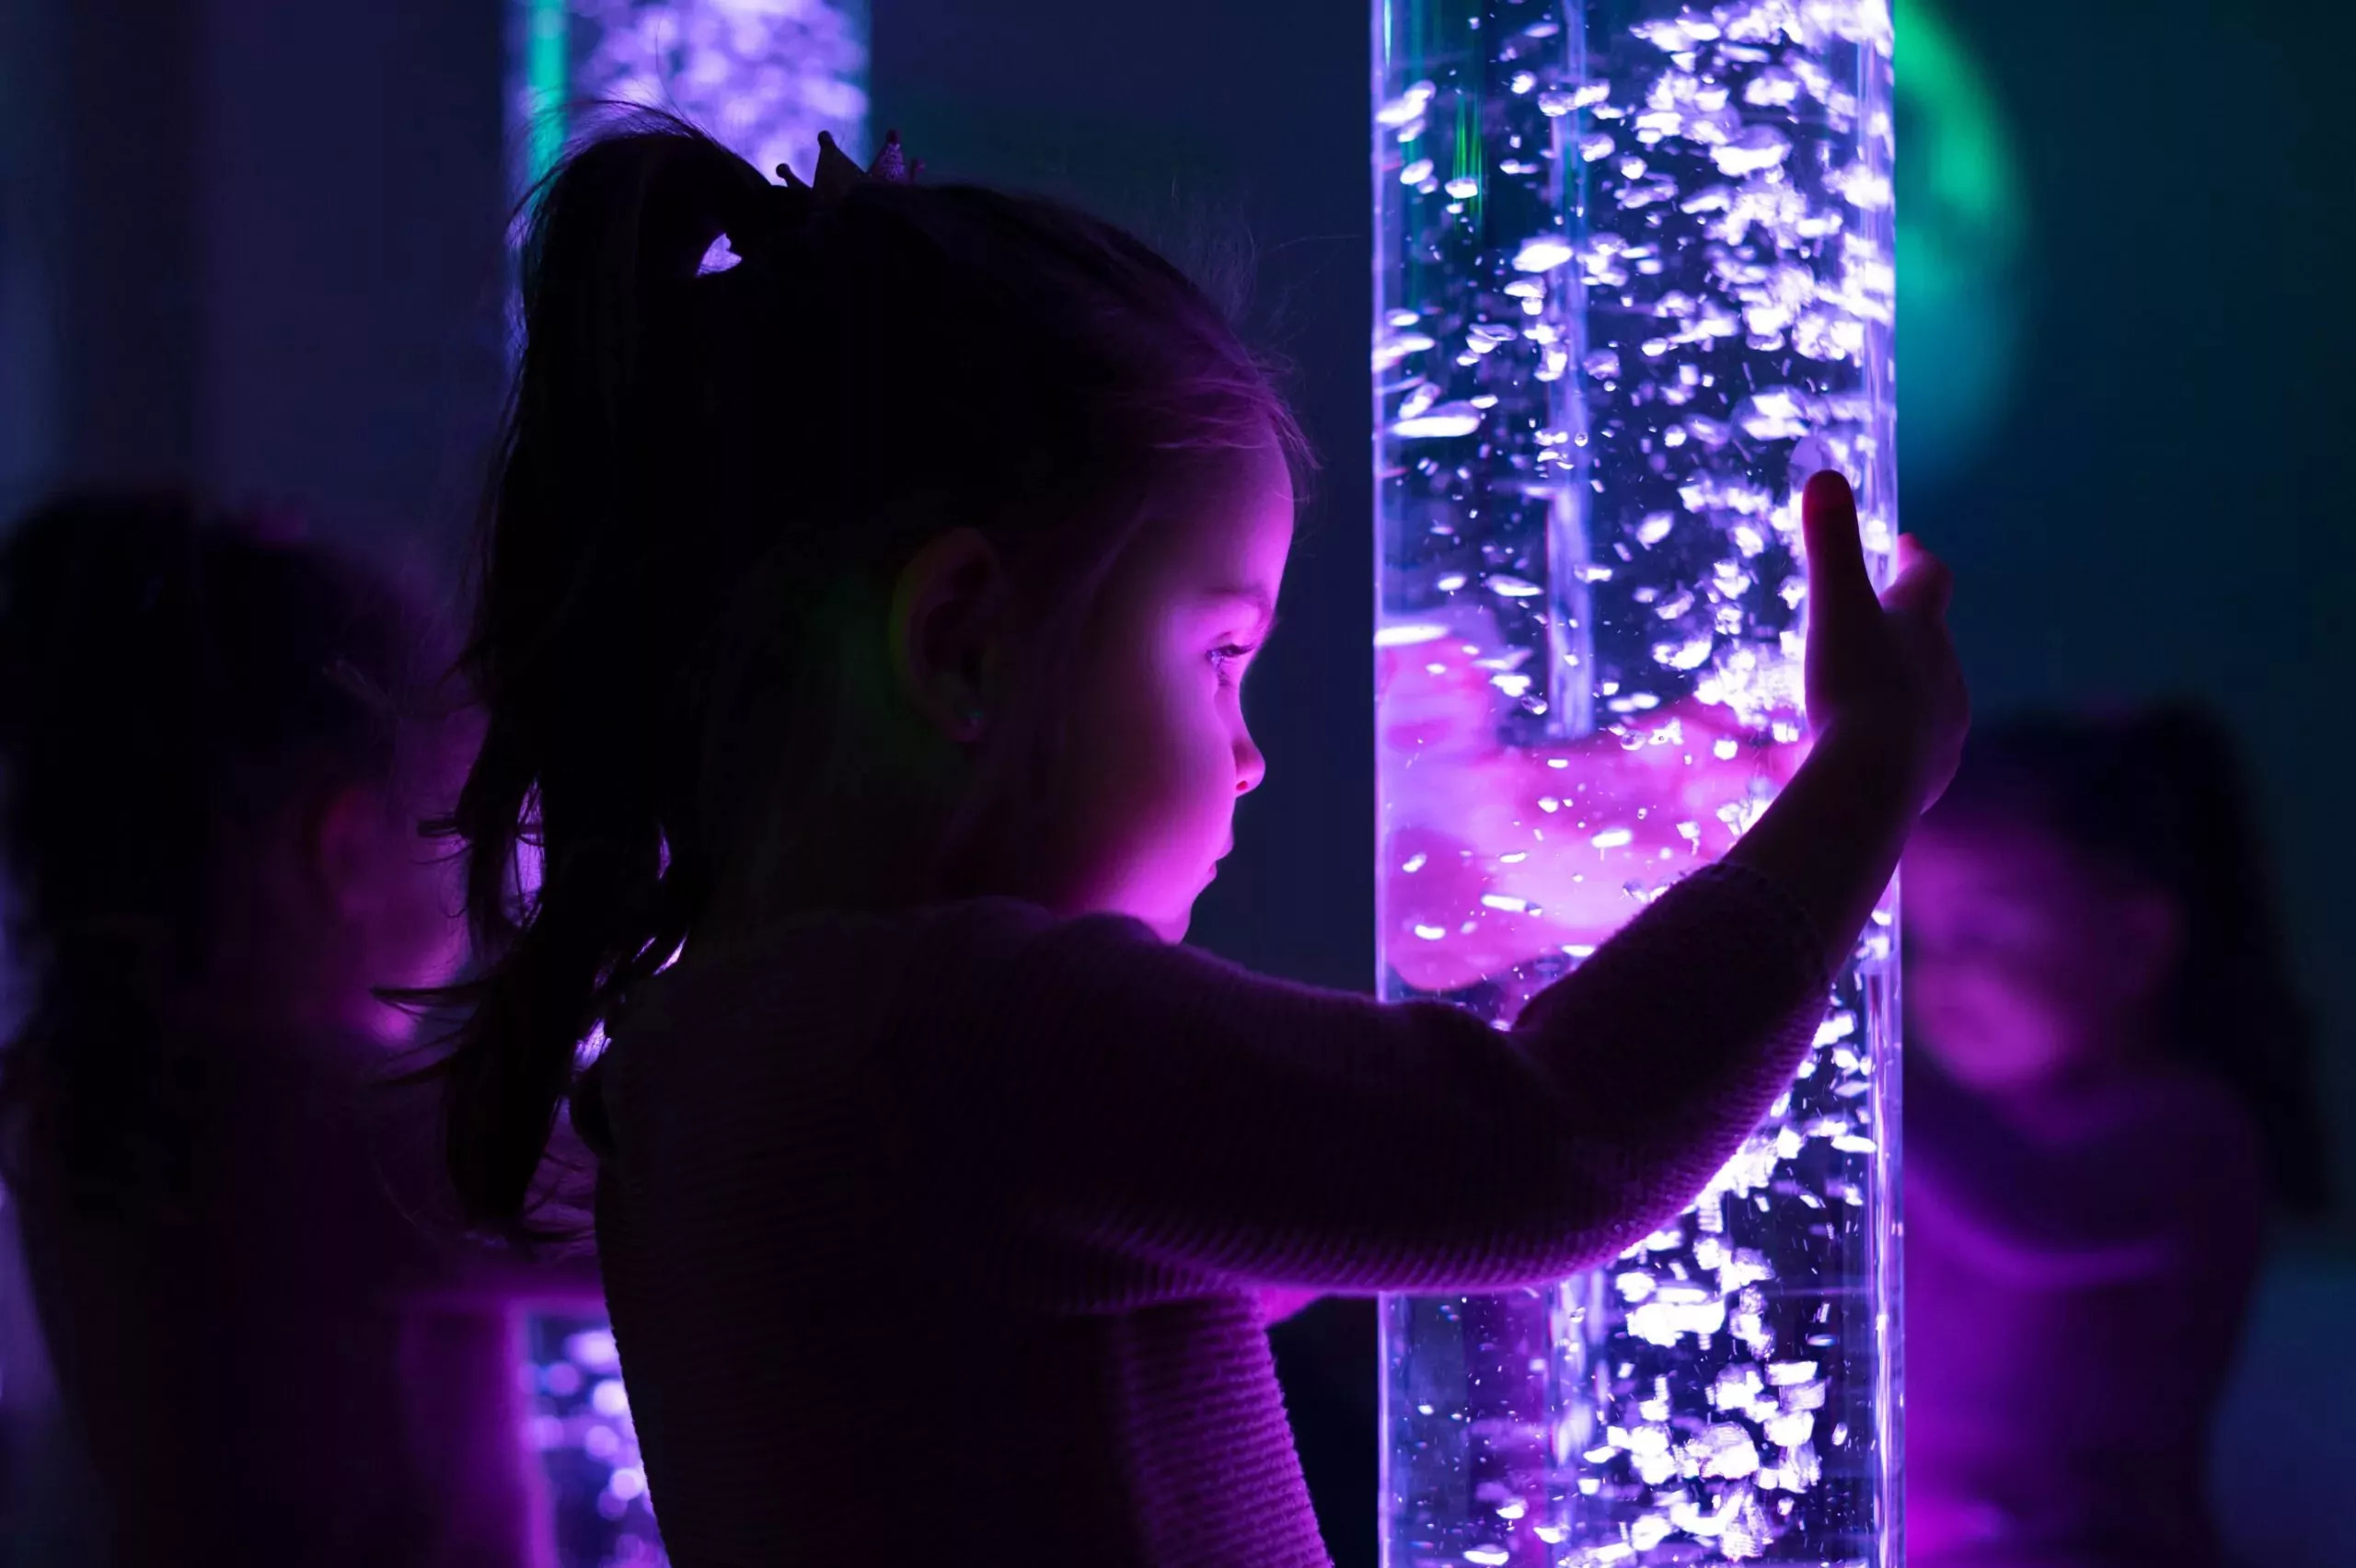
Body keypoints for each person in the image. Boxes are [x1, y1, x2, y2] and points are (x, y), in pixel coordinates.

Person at [428, 114, 1967, 1566]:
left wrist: (1496, 918)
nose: (1251, 757)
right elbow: (1552, 1149)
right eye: (1220, 655)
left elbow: (1264, 1213)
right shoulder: (972, 1029)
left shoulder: (717, 1057)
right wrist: (1859, 788)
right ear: (962, 644)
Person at [0, 495, 597, 1566]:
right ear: (350, 850)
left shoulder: (67, 1090)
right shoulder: (326, 1128)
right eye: (466, 814)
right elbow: (663, 1194)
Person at [1903, 708, 2327, 1568]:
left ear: (2136, 941)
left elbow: (2036, 1220)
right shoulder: (1969, 1144)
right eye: (1920, 940)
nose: (1937, 975)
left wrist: (1871, 1085)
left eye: (1981, 931)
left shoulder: (2190, 1126)